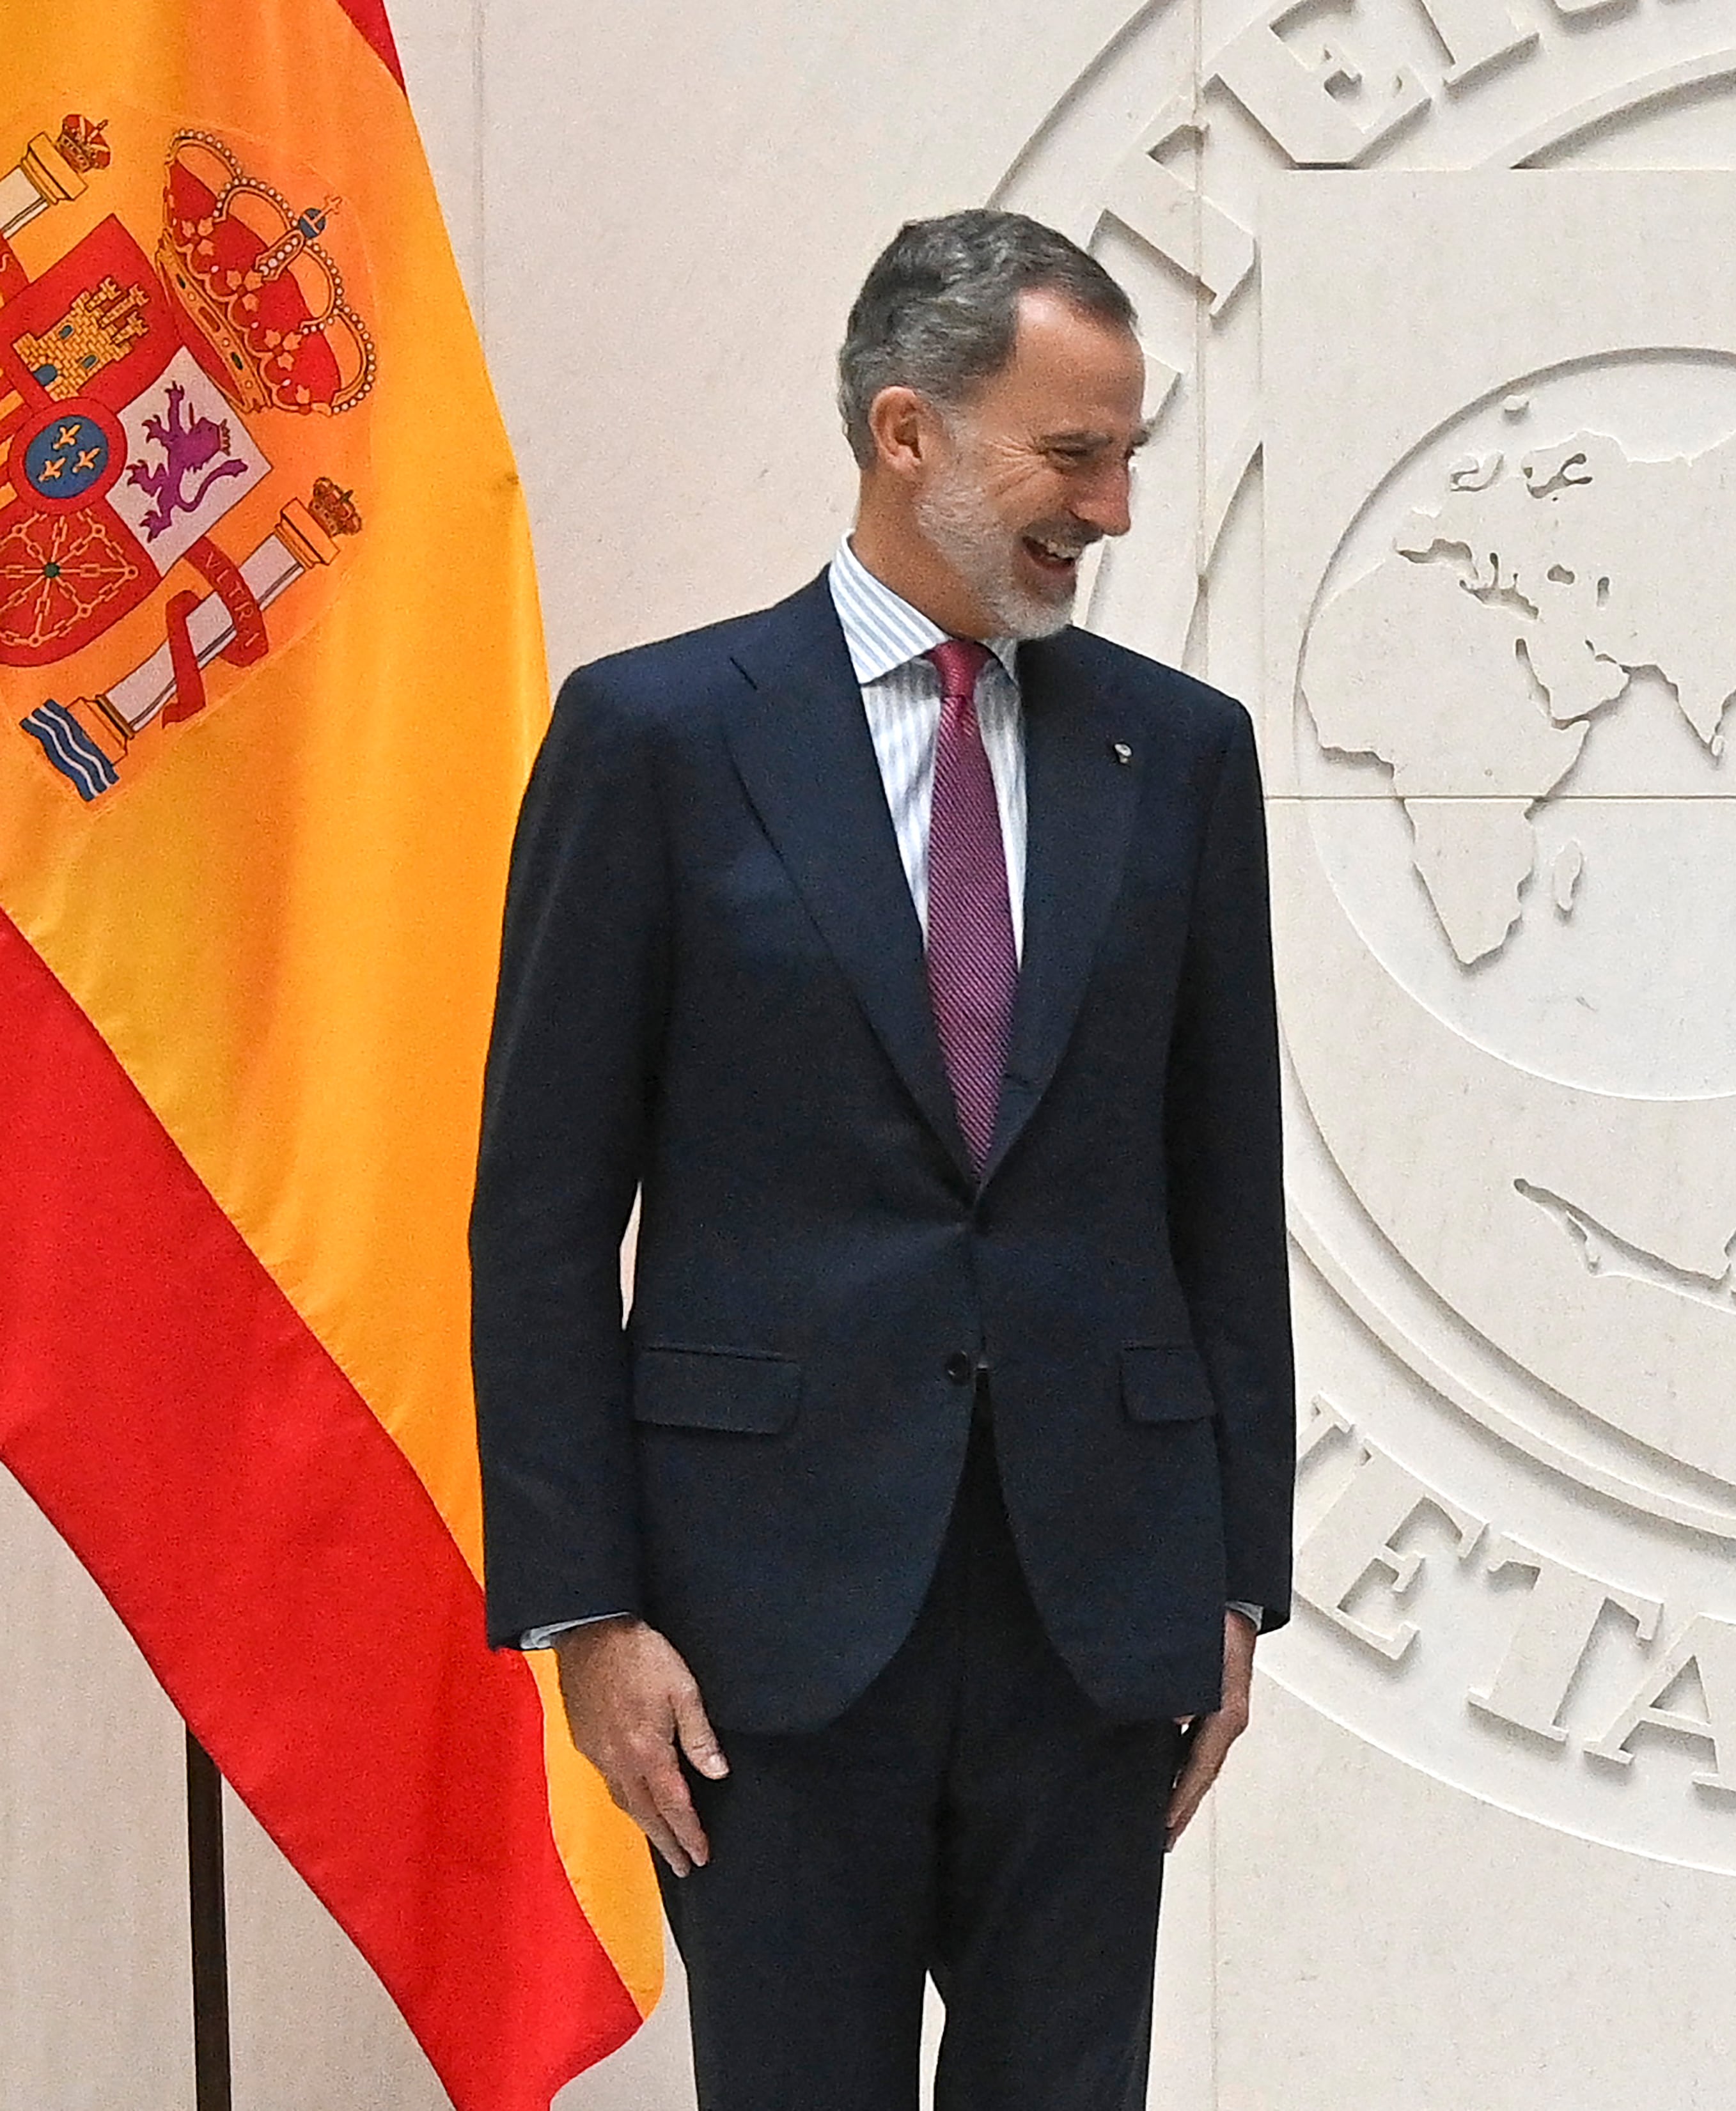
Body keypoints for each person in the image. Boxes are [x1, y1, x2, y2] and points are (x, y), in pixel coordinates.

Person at [469, 211, 1291, 2111]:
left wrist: (1234, 1579)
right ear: (907, 431)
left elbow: (1220, 1195)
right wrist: (588, 1611)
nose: (1113, 509)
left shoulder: (1179, 753)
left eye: (1127, 455)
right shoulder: (658, 737)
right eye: (1073, 455)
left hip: (1097, 1613)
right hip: (756, 1627)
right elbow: (541, 1216)